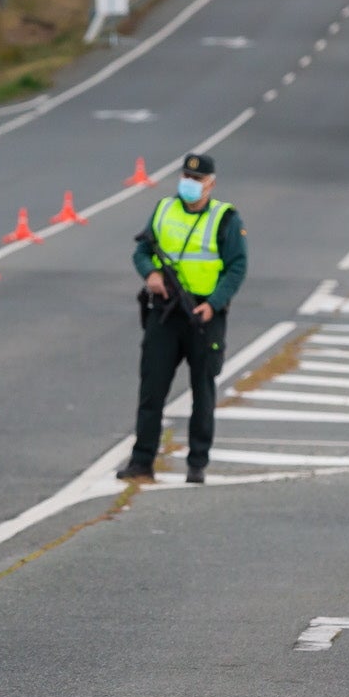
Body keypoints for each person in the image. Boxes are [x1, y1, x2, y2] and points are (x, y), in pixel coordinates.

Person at [119, 152, 245, 485]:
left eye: (197, 179)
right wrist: (150, 274)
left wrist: (214, 304)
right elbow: (142, 250)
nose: (190, 183)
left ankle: (197, 463)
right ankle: (142, 461)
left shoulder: (225, 218)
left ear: (211, 184)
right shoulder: (164, 209)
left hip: (203, 315)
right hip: (165, 312)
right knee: (152, 389)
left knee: (202, 391)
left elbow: (237, 267)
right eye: (186, 177)